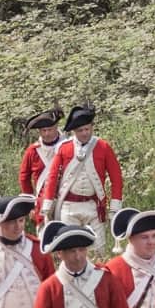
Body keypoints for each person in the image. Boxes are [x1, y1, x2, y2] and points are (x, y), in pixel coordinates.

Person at [37, 106, 124, 250]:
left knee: (98, 249)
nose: (84, 133)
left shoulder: (103, 147)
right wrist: (47, 205)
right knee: (70, 249)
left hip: (93, 206)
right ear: (73, 131)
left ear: (92, 127)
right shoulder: (64, 148)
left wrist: (115, 206)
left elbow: (116, 178)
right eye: (80, 130)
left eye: (87, 129)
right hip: (68, 207)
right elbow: (52, 177)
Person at [16, 108, 65, 223]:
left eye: (50, 129)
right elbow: (24, 178)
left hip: (66, 200)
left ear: (56, 127)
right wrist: (30, 204)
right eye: (43, 130)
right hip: (42, 202)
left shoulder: (68, 146)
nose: (47, 133)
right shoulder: (33, 151)